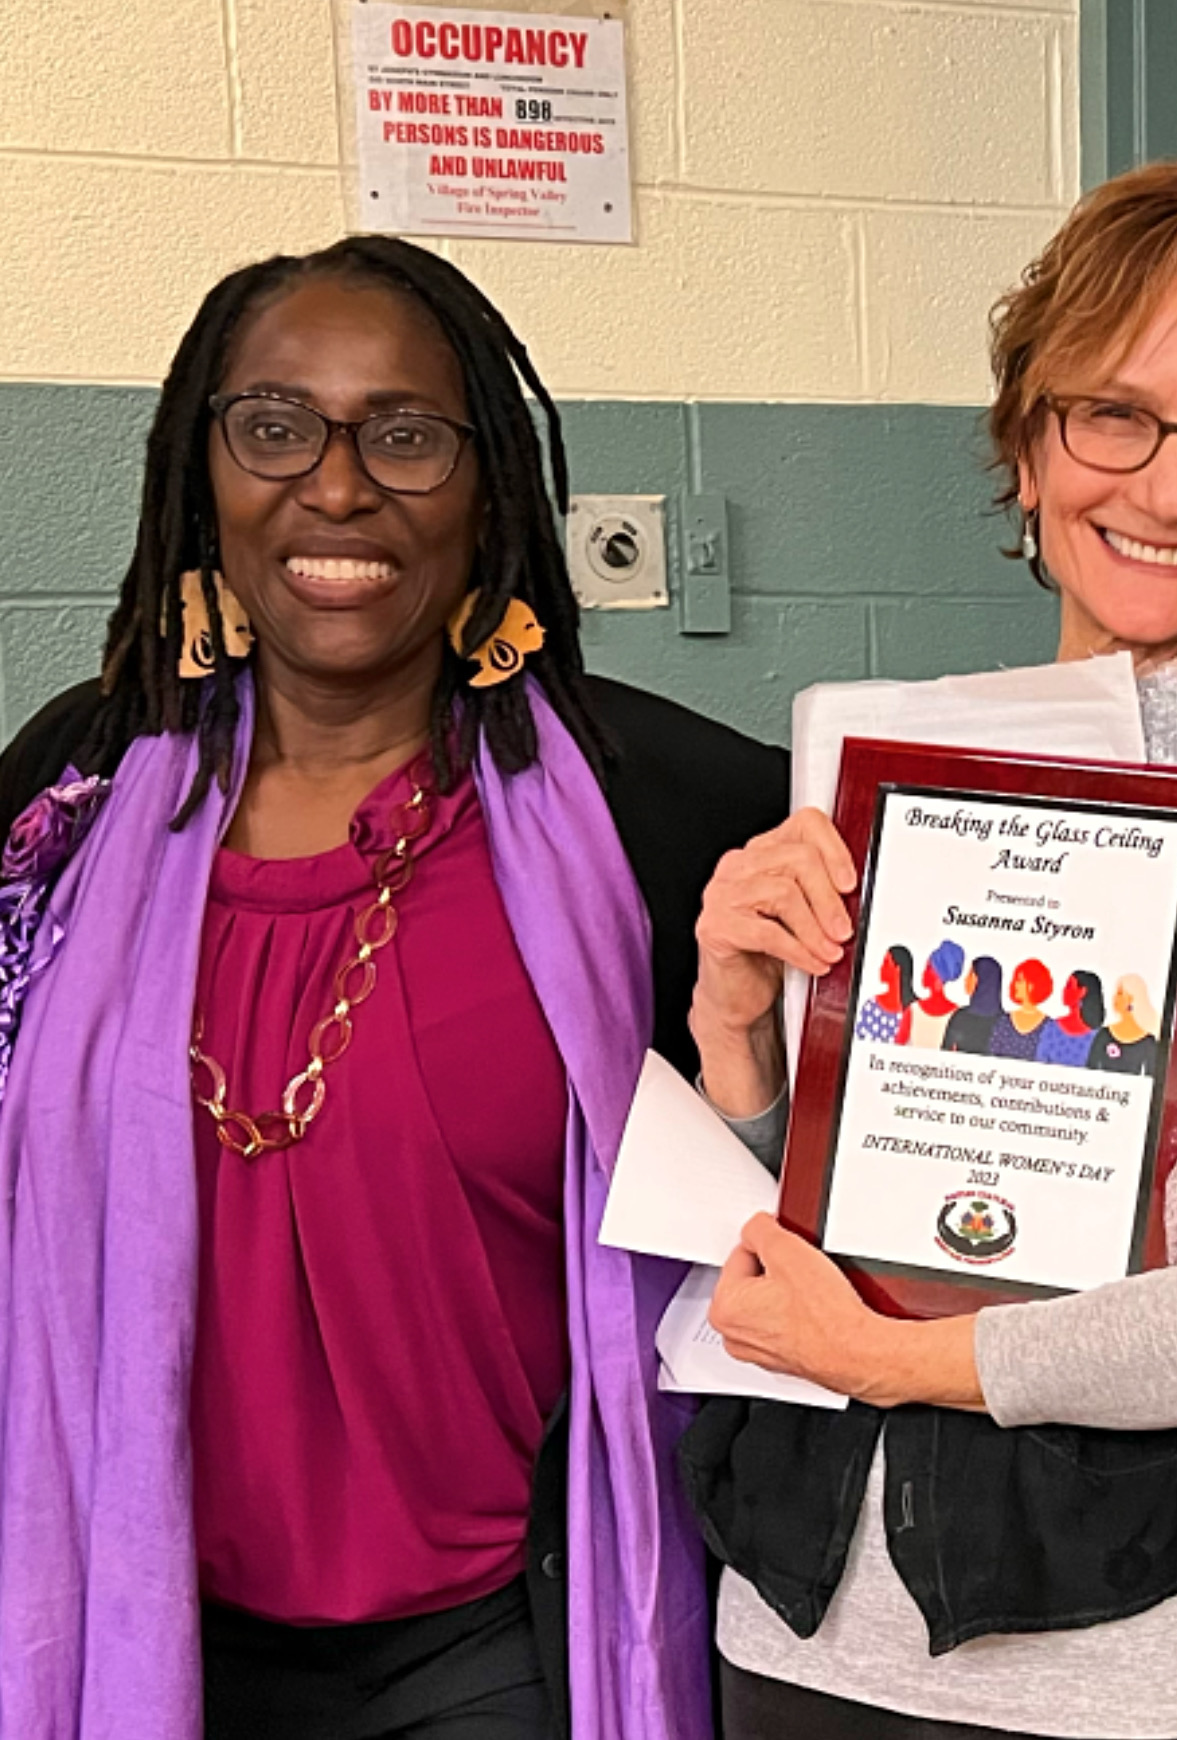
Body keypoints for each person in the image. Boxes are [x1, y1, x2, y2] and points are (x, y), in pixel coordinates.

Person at [0, 237, 787, 1739]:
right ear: (201, 470)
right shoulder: (71, 793)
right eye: (276, 426)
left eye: (407, 434)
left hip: (500, 1644)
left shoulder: (661, 809)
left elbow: (782, 1186)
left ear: (489, 487)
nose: (339, 486)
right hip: (140, 1626)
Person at [682, 159, 1177, 1740]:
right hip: (793, 1636)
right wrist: (737, 1030)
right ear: (1028, 447)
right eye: (1114, 416)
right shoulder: (890, 765)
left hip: (1116, 1680)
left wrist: (893, 1363)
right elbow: (807, 1228)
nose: (1167, 488)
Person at [1086, 973, 1161, 1076]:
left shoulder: (1149, 1042)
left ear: (1132, 999)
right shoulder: (1104, 1034)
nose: (1114, 997)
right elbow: (1089, 1069)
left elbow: (1151, 1077)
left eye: (1120, 993)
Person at [1035, 968, 1105, 1067]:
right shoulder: (1051, 1028)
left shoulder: (1099, 1036)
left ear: (1082, 992)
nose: (1064, 990)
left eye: (1069, 986)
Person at [987, 957, 1053, 1060]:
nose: (1015, 985)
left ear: (1032, 985)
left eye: (1020, 981)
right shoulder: (1004, 1020)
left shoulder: (1049, 1026)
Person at [905, 940, 967, 1048]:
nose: (923, 972)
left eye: (928, 968)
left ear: (938, 975)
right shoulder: (913, 1009)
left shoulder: (957, 1015)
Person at [939, 954, 1004, 1055]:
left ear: (981, 979)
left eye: (970, 975)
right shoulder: (1004, 1022)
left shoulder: (961, 1018)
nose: (965, 980)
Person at [856, 946, 918, 1043]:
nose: (881, 968)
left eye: (886, 963)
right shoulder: (871, 1006)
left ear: (897, 969)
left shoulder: (916, 1010)